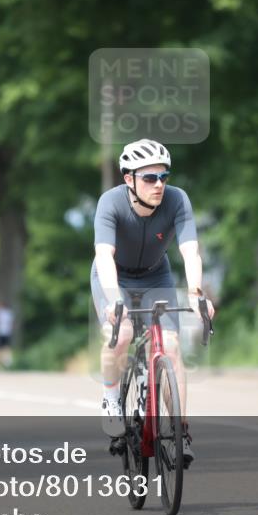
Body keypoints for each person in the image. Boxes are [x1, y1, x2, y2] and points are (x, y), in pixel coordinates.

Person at [91, 138, 216, 469]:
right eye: (149, 178)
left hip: (155, 276)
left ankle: (180, 431)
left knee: (171, 348)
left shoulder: (177, 200)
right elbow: (104, 256)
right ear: (128, 179)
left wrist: (196, 292)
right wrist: (115, 302)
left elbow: (190, 250)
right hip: (113, 277)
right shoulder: (110, 203)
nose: (159, 185)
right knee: (121, 334)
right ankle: (111, 399)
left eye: (164, 176)